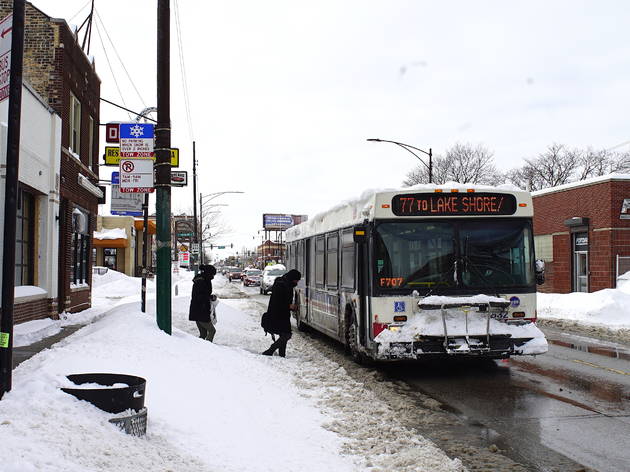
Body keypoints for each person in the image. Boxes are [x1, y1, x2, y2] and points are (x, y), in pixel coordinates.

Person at [262, 269, 301, 357]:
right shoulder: (281, 284)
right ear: (292, 278)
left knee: (283, 334)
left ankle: (282, 355)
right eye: (296, 280)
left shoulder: (288, 284)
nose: (297, 282)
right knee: (287, 335)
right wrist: (289, 306)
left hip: (284, 314)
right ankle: (270, 350)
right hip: (277, 314)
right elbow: (277, 301)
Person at [189, 264, 218, 342]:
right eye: (212, 274)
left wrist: (209, 297)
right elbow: (199, 296)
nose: (213, 277)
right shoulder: (201, 282)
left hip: (198, 310)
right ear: (208, 273)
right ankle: (207, 348)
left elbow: (203, 294)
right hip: (200, 310)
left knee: (203, 334)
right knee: (212, 331)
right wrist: (209, 297)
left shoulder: (203, 280)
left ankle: (199, 349)